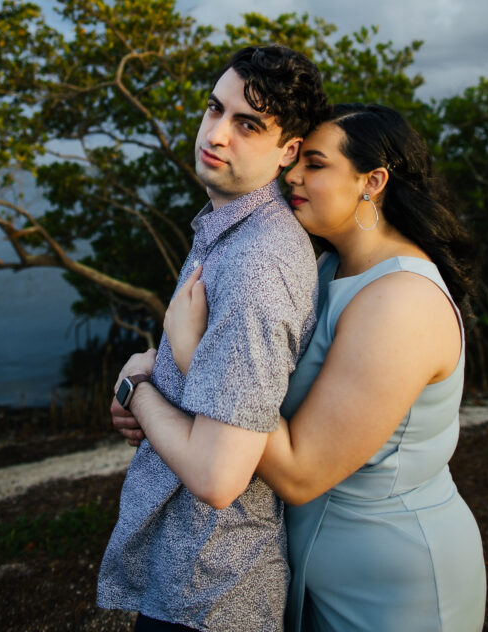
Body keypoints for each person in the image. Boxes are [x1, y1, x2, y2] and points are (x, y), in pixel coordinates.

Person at [128, 103, 487, 632]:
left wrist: (194, 354)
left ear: (374, 181)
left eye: (315, 164)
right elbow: (259, 394)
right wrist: (150, 395)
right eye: (297, 159)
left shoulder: (402, 301)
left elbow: (299, 470)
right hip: (309, 565)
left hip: (390, 584)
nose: (292, 174)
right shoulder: (326, 269)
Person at [97, 44, 330, 632]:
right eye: (213, 109)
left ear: (288, 151)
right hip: (188, 578)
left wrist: (136, 391)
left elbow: (217, 477)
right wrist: (160, 391)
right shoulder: (228, 224)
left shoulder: (259, 265)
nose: (216, 134)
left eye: (247, 124)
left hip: (212, 594)